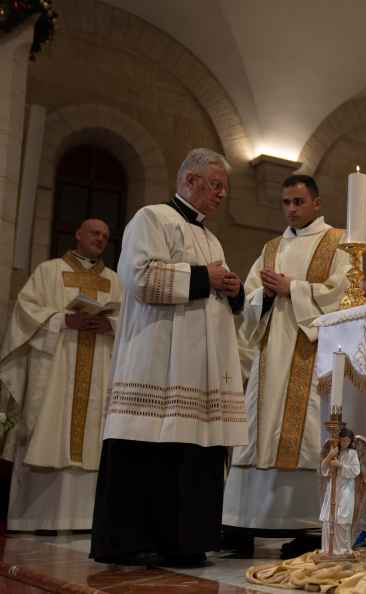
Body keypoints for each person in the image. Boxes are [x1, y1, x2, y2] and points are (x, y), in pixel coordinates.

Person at [90, 148, 247, 567]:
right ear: (188, 180)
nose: (220, 195)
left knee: (194, 454)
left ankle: (184, 542)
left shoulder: (211, 237)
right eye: (215, 185)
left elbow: (216, 286)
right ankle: (131, 541)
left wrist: (232, 289)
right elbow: (139, 278)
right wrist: (204, 276)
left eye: (224, 188)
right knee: (150, 451)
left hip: (199, 367)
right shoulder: (151, 218)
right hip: (157, 360)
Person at [222, 174, 349, 558]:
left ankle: (305, 527)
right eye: (286, 203)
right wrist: (261, 294)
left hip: (307, 351)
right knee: (256, 431)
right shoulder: (271, 246)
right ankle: (241, 522)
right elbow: (251, 295)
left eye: (298, 201)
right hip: (269, 349)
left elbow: (342, 292)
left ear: (317, 203)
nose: (291, 209)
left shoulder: (338, 242)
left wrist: (292, 288)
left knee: (305, 433)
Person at [0, 219, 120, 531]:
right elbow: (25, 313)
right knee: (48, 427)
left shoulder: (114, 281)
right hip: (56, 368)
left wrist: (110, 325)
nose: (100, 239)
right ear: (77, 234)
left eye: (105, 236)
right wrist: (63, 321)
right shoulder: (48, 271)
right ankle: (33, 519)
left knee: (94, 435)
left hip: (99, 369)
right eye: (94, 233)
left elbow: (128, 321)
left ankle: (87, 519)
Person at [319, 427, 361, 557]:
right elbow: (323, 470)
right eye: (342, 440)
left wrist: (340, 465)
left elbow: (355, 471)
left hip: (345, 490)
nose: (344, 443)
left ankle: (342, 550)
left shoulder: (352, 454)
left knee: (342, 521)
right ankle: (328, 549)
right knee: (328, 520)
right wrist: (330, 456)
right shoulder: (334, 451)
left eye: (347, 441)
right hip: (333, 488)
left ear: (350, 441)